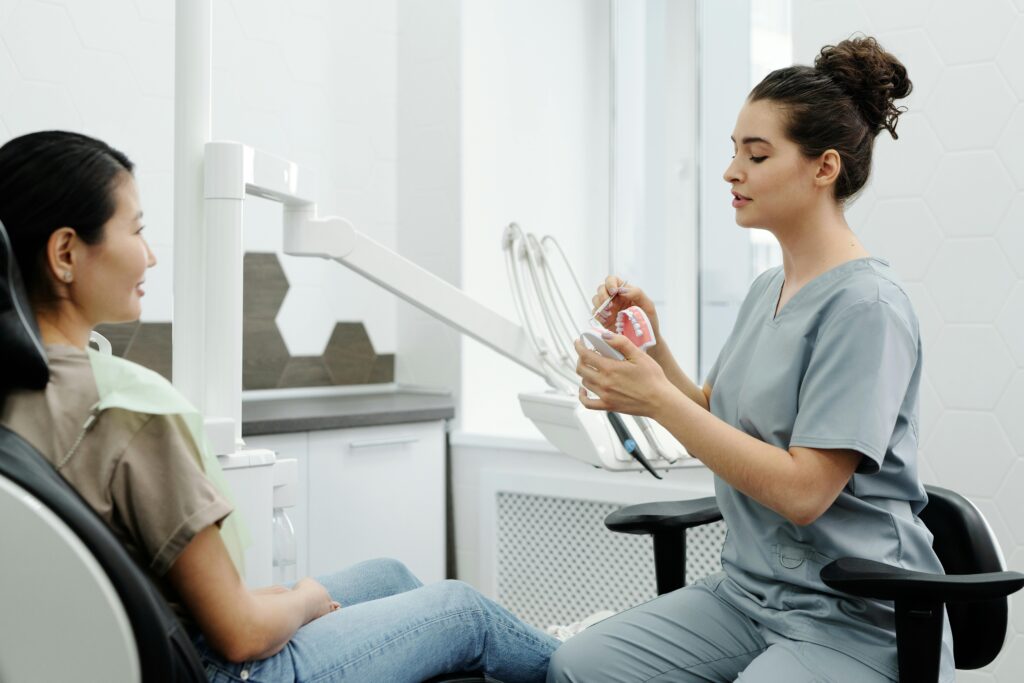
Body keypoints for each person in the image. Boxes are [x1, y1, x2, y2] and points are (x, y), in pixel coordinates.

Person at [0, 130, 557, 683]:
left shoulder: (17, 384)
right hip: (222, 669)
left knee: (387, 576)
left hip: (148, 640)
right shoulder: (129, 409)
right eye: (137, 229)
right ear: (66, 252)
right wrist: (308, 599)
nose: (149, 255)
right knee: (465, 612)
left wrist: (284, 603)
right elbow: (241, 634)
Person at [552, 36, 953, 683]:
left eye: (756, 154)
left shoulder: (866, 306)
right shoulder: (770, 287)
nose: (731, 172)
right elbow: (718, 414)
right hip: (749, 594)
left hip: (856, 611)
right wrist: (653, 347)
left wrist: (653, 396)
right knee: (581, 665)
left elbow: (803, 491)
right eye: (733, 152)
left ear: (824, 168)